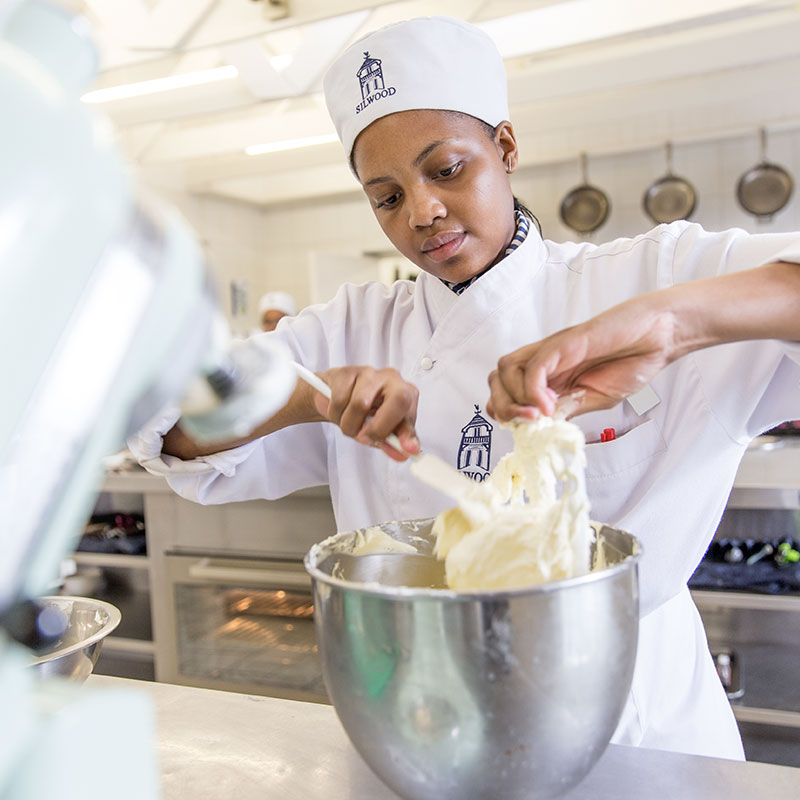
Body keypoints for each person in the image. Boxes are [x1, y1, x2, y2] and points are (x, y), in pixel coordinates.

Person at [128, 16, 800, 760]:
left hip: (634, 728)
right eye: (385, 197)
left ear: (505, 148)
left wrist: (674, 323)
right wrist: (307, 398)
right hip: (422, 719)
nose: (422, 212)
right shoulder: (354, 326)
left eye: (446, 169)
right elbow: (170, 425)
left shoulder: (648, 275)